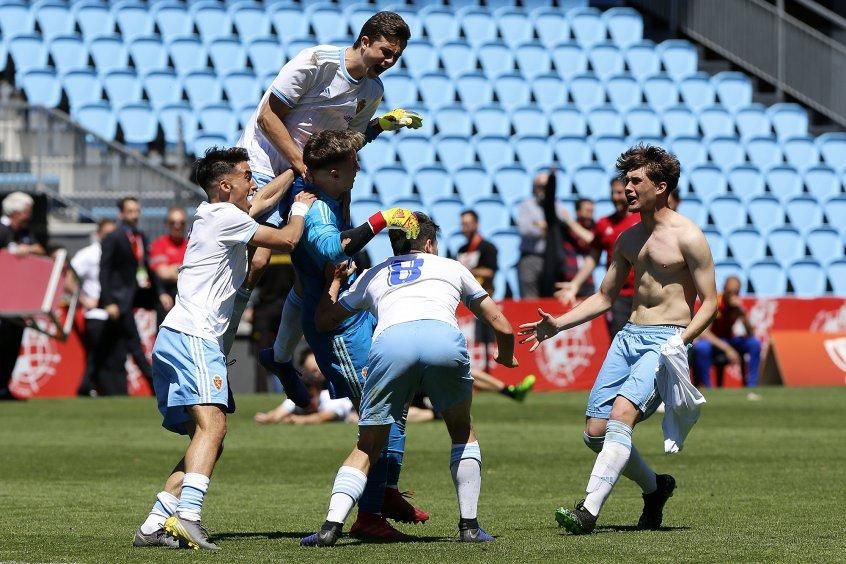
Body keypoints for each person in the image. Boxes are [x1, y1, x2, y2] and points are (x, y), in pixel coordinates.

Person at [518, 144, 717, 534]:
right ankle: (655, 488)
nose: (626, 187)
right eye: (626, 179)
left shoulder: (689, 236)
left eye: (634, 180)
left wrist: (682, 341)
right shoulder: (626, 239)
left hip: (667, 338)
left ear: (660, 187)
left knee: (622, 415)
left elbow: (710, 302)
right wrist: (559, 324)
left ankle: (587, 511)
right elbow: (605, 297)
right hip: (628, 336)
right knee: (595, 431)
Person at [132, 147, 317, 550]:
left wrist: (296, 169)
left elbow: (265, 199)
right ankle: (189, 517)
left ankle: (154, 524)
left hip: (178, 337)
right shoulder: (226, 217)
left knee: (206, 436)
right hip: (194, 337)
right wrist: (301, 205)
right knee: (213, 427)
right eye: (248, 175)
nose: (254, 183)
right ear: (225, 185)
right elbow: (288, 238)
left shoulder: (217, 215)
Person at [301, 212, 518, 547]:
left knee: (368, 445)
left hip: (391, 345)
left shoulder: (375, 273)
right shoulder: (451, 267)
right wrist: (505, 356)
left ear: (394, 243)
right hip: (442, 340)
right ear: (429, 243)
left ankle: (330, 527)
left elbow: (324, 320)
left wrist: (333, 280)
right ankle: (469, 526)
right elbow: (501, 324)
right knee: (461, 430)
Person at [228, 10, 422, 363]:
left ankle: (281, 357)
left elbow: (346, 147)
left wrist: (379, 125)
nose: (390, 60)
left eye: (397, 55)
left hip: (307, 173)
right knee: (255, 260)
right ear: (364, 41)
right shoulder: (317, 63)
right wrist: (302, 165)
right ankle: (221, 345)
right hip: (266, 163)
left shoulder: (373, 91)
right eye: (385, 51)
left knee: (314, 271)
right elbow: (268, 117)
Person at [266, 129, 426, 541]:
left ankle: (384, 492)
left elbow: (334, 156)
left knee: (395, 405)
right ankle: (368, 515)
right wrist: (381, 219)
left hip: (350, 317)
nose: (359, 171)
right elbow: (335, 249)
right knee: (377, 416)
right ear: (334, 174)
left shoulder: (322, 182)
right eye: (353, 167)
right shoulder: (317, 210)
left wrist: (373, 130)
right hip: (336, 327)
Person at [97, 197, 170, 395]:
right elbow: (104, 271)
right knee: (133, 343)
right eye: (130, 211)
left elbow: (147, 267)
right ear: (121, 213)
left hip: (138, 294)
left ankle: (86, 383)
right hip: (120, 299)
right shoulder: (113, 237)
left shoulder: (140, 236)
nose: (134, 215)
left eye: (136, 211)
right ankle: (156, 385)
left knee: (108, 346)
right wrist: (109, 301)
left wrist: (161, 292)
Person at [556, 177, 641, 338]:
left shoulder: (643, 220)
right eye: (612, 193)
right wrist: (575, 284)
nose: (615, 197)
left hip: (644, 294)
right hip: (617, 296)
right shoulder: (603, 224)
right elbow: (593, 257)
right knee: (619, 342)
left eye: (619, 192)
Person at [0, 191, 46, 400]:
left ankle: (3, 386)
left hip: (17, 301)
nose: (29, 215)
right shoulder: (1, 230)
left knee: (12, 344)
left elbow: (38, 249)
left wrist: (26, 249)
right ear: (16, 212)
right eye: (26, 211)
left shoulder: (25, 232)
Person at [516, 173, 593, 298]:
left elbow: (562, 224)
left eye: (547, 186)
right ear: (534, 187)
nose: (544, 189)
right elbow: (525, 229)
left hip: (552, 261)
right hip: (531, 257)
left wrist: (541, 225)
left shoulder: (558, 206)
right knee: (529, 300)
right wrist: (545, 228)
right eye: (540, 186)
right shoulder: (526, 205)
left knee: (550, 299)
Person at [68, 219, 116, 396]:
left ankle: (101, 389)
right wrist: (85, 300)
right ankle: (87, 387)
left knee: (111, 357)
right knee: (96, 355)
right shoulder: (88, 254)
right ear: (99, 234)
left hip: (113, 312)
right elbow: (68, 281)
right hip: (95, 313)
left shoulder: (116, 254)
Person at [254, 348, 357, 425]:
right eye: (313, 371)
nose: (308, 400)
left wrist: (299, 420)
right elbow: (278, 414)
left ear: (319, 392)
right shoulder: (297, 397)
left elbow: (325, 416)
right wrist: (267, 418)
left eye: (311, 396)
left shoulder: (329, 397)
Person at [693, 275, 761, 388]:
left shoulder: (737, 306)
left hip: (730, 339)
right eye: (730, 292)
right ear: (724, 289)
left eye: (736, 292)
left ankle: (751, 386)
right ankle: (708, 388)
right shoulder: (714, 303)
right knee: (702, 347)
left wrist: (742, 313)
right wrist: (728, 349)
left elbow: (751, 334)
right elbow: (703, 332)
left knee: (754, 343)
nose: (733, 296)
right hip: (715, 342)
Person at [456, 210, 498, 368]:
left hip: (484, 297)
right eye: (462, 224)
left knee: (487, 338)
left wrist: (467, 270)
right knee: (472, 339)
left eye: (467, 223)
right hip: (465, 299)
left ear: (476, 224)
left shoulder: (488, 248)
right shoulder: (461, 249)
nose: (464, 227)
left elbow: (490, 272)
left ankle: (489, 370)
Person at [149, 207, 189, 303]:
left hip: (188, 298)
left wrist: (173, 268)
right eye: (173, 222)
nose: (177, 226)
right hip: (167, 297)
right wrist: (185, 270)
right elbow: (163, 273)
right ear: (167, 224)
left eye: (181, 223)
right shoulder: (159, 244)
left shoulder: (191, 246)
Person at [560, 198, 596, 297]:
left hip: (587, 282)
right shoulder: (565, 231)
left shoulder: (596, 228)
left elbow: (591, 239)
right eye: (587, 211)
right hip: (567, 280)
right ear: (578, 212)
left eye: (592, 211)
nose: (590, 215)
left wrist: (570, 222)